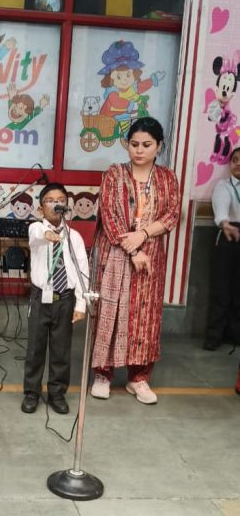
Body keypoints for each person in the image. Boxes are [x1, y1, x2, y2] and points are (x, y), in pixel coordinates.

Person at [90, 117, 180, 405]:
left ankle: (138, 378)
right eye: (134, 144)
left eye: (147, 145)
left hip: (149, 257)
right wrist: (131, 249)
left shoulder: (167, 177)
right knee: (110, 311)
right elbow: (108, 214)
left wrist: (142, 235)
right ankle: (103, 374)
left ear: (159, 146)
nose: (139, 150)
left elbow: (172, 214)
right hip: (115, 252)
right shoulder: (114, 174)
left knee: (145, 317)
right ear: (127, 145)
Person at [21, 183, 88, 415]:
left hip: (64, 299)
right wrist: (48, 234)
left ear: (67, 206)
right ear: (41, 208)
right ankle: (31, 392)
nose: (56, 204)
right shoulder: (36, 229)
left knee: (61, 350)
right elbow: (38, 235)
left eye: (61, 200)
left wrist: (81, 304)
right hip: (40, 298)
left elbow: (82, 271)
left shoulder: (74, 237)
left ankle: (57, 393)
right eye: (50, 200)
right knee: (35, 348)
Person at [203, 146, 240, 351]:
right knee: (221, 289)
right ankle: (214, 335)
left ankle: (234, 334)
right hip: (227, 235)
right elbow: (221, 207)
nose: (238, 164)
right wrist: (225, 223)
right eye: (235, 160)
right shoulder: (223, 186)